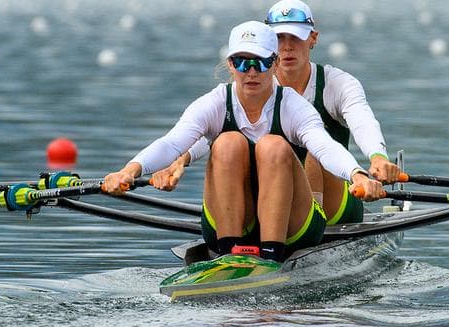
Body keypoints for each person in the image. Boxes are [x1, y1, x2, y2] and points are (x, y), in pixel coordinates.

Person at [101, 21, 386, 263]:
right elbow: (172, 143)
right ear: (230, 65)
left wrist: (357, 174)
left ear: (274, 65)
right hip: (233, 222)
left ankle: (272, 255)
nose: (251, 72)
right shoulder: (214, 103)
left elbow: (325, 147)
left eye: (261, 62)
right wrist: (129, 171)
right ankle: (229, 254)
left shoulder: (293, 107)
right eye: (242, 62)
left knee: (272, 146)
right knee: (227, 143)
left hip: (293, 227)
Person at [152, 0, 403, 226]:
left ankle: (311, 230)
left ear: (313, 38)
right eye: (279, 38)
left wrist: (377, 157)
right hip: (273, 202)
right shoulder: (251, 86)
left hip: (334, 206)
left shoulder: (338, 84)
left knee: (317, 151)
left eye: (296, 38)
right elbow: (211, 134)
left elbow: (362, 121)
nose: (287, 47)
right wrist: (180, 159)